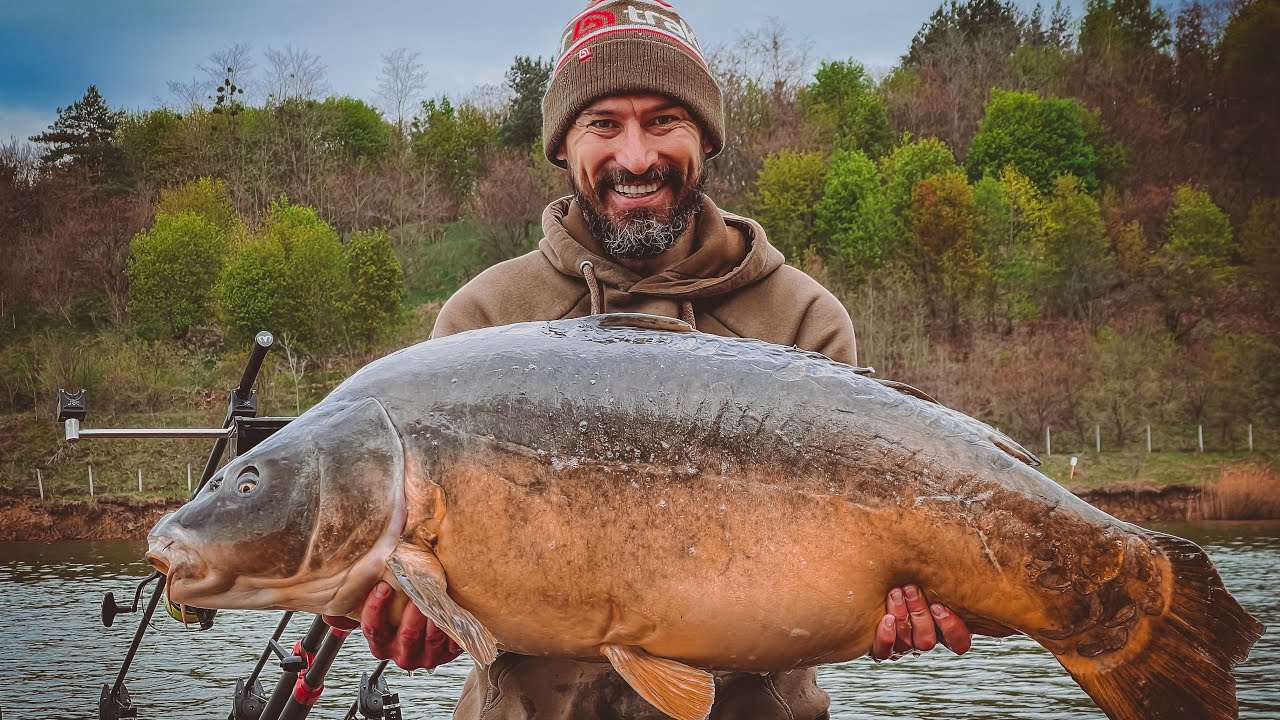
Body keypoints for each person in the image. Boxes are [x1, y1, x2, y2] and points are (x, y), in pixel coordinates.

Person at [330, 2, 973, 717]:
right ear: (563, 145)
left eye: (664, 120)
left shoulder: (802, 319)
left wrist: (885, 611)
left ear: (706, 137)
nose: (635, 157)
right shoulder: (479, 322)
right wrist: (432, 630)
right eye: (603, 124)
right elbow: (439, 592)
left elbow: (828, 600)